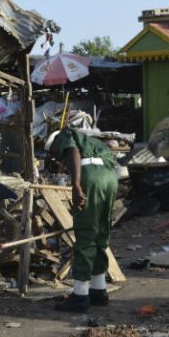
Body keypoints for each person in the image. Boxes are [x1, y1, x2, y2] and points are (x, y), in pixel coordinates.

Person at [45, 128, 119, 312]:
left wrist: (77, 185)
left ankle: (80, 295)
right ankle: (99, 290)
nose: (56, 157)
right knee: (101, 234)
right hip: (110, 178)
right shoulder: (90, 142)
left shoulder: (64, 135)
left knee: (86, 233)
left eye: (54, 152)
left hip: (91, 178)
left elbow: (73, 151)